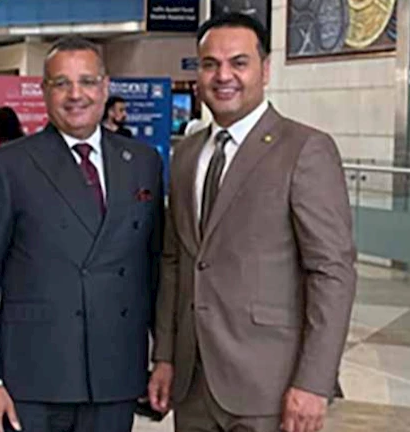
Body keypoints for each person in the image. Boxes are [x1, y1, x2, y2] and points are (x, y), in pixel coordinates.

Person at [147, 13, 357, 432]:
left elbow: (332, 273)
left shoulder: (305, 149)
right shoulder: (186, 154)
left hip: (270, 387)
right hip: (193, 384)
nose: (223, 76)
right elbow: (175, 262)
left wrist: (314, 382)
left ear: (265, 69)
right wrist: (165, 356)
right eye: (210, 64)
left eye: (238, 63)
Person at [0, 36, 163, 432]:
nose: (76, 95)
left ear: (104, 87)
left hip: (115, 374)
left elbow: (156, 268)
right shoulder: (10, 165)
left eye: (87, 82)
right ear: (44, 91)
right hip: (32, 378)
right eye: (61, 83)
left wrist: (164, 357)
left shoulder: (142, 163)